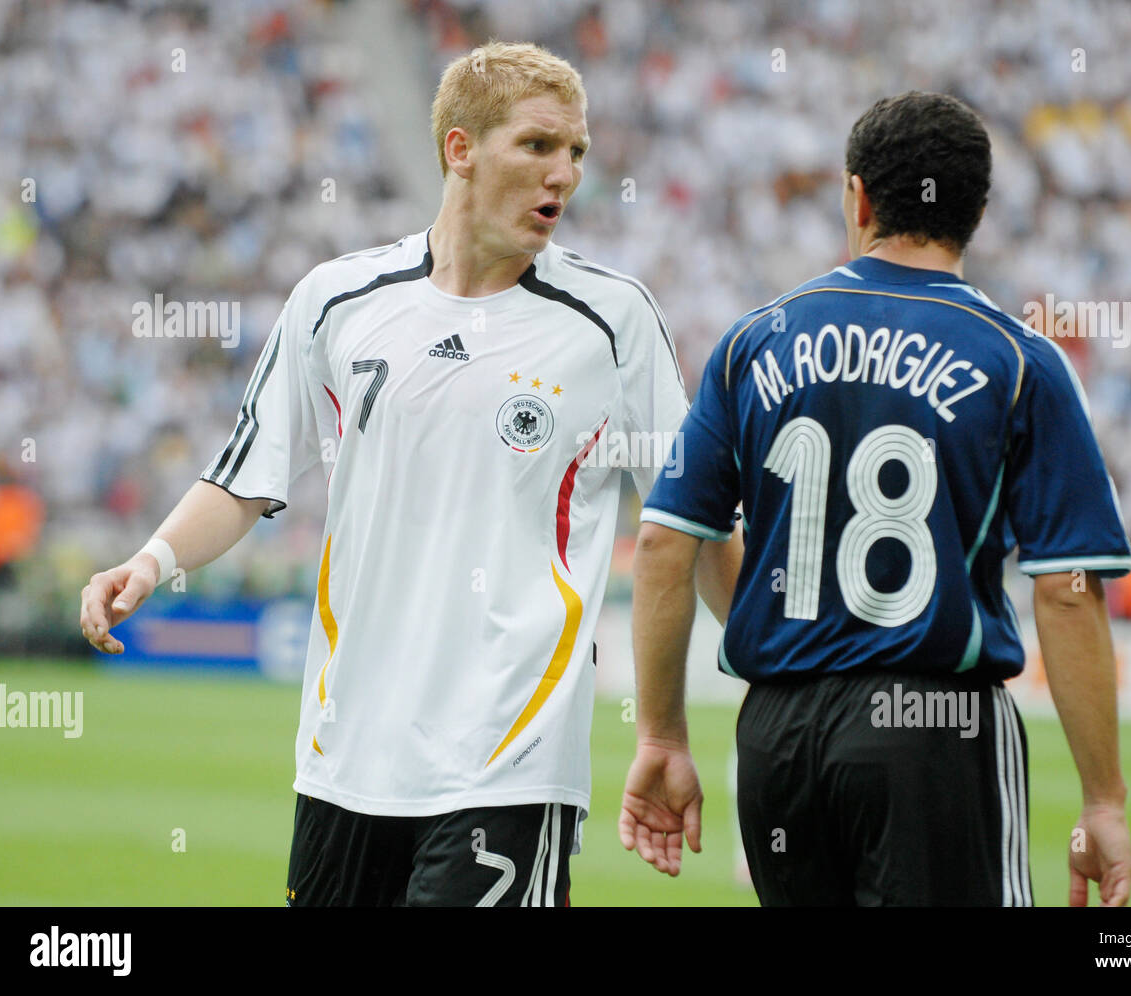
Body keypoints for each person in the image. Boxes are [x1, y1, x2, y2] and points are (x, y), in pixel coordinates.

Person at [79, 40, 740, 907]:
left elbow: (689, 521)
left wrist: (787, 659)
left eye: (576, 152)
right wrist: (152, 562)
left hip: (512, 759)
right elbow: (245, 476)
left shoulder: (610, 320)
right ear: (459, 149)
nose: (566, 173)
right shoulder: (337, 299)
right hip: (345, 754)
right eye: (538, 145)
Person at [619, 91, 1131, 907]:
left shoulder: (756, 341)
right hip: (934, 728)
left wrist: (662, 734)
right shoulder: (1019, 361)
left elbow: (665, 544)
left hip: (777, 739)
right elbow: (1068, 595)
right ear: (978, 212)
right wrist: (1104, 799)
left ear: (856, 196)